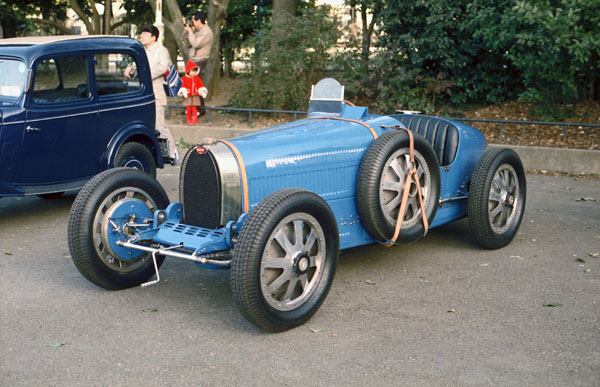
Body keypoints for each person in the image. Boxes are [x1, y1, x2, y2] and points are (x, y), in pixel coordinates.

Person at [126, 25, 178, 165]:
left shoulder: (161, 50)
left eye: (145, 34)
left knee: (160, 125)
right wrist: (131, 69)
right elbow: (136, 67)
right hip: (143, 94)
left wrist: (143, 73)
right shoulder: (142, 51)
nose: (142, 37)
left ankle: (172, 153)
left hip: (156, 93)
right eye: (141, 34)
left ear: (153, 37)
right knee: (148, 125)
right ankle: (157, 154)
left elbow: (162, 68)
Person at [183, 11, 213, 116]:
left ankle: (199, 109)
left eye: (193, 20)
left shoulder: (206, 32)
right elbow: (188, 43)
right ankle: (193, 108)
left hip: (200, 61)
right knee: (191, 84)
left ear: (199, 20)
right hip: (194, 61)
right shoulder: (198, 30)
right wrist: (188, 32)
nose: (192, 22)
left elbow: (196, 43)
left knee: (196, 85)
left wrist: (190, 32)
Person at [178, 60, 208, 125]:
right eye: (193, 71)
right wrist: (183, 91)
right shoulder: (184, 79)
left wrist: (202, 91)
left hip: (195, 96)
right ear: (188, 71)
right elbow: (181, 86)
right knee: (188, 108)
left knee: (194, 108)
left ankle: (194, 120)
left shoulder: (197, 78)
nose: (194, 73)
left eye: (195, 71)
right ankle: (188, 120)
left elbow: (200, 85)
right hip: (188, 96)